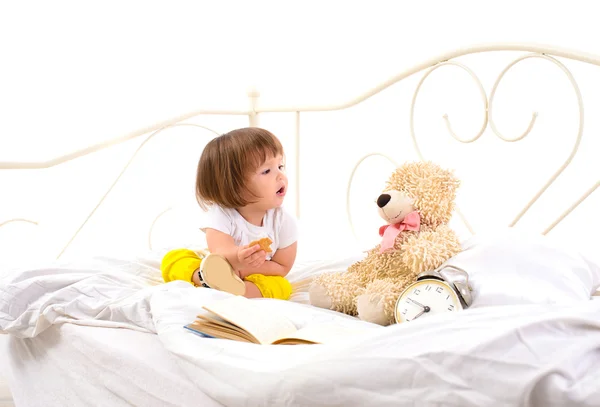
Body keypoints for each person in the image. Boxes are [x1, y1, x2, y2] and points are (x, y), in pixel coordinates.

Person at [161, 127, 298, 300]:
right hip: (222, 266)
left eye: (280, 166)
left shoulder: (283, 221)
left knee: (282, 286)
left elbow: (282, 267)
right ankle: (203, 278)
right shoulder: (222, 214)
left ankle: (237, 290)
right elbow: (220, 252)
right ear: (234, 185)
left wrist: (248, 269)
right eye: (266, 171)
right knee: (174, 258)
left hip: (258, 274)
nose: (280, 176)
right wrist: (238, 258)